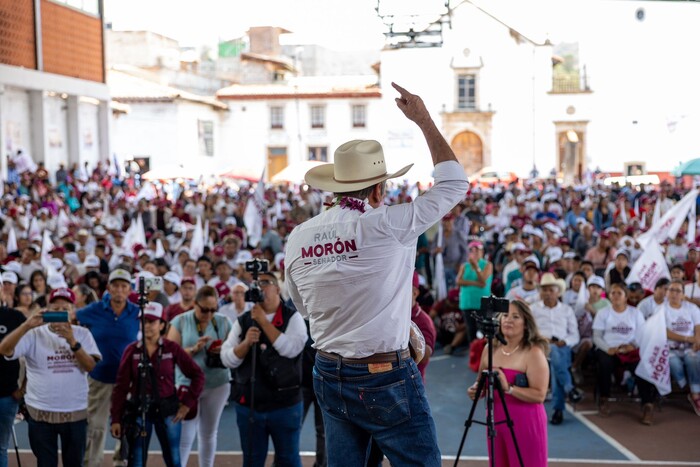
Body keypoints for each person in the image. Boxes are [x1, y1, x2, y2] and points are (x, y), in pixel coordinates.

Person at [285, 83, 468, 466]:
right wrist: (423, 119)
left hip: (328, 369)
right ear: (379, 190)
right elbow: (454, 183)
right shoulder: (389, 223)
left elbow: (301, 305)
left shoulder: (299, 236)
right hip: (383, 374)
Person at [0, 288, 101, 467]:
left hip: (75, 414)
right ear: (47, 309)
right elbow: (4, 350)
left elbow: (90, 366)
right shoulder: (34, 334)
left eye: (65, 308)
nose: (60, 313)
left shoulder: (82, 334)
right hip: (40, 415)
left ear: (72, 311)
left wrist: (72, 342)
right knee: (45, 464)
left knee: (74, 463)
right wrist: (27, 325)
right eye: (55, 309)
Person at [221, 271, 307, 467]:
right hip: (250, 405)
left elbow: (292, 349)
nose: (261, 287)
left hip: (285, 405)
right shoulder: (244, 320)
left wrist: (263, 322)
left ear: (277, 288)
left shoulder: (293, 318)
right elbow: (226, 359)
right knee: (252, 460)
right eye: (257, 284)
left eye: (266, 283)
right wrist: (244, 345)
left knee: (288, 459)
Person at [110, 302, 205, 467]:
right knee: (136, 460)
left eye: (152, 322)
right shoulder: (132, 351)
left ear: (162, 325)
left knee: (174, 460)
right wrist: (116, 419)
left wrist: (187, 405)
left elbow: (197, 375)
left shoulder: (172, 348)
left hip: (168, 409)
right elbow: (121, 387)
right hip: (139, 410)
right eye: (144, 321)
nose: (147, 326)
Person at [468, 300, 550, 467]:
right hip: (495, 423)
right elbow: (480, 385)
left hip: (526, 424)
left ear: (526, 324)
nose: (508, 320)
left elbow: (540, 395)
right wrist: (475, 390)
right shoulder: (489, 349)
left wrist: (510, 389)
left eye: (516, 317)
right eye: (505, 315)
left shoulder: (533, 352)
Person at [77, 269, 140, 467]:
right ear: (109, 288)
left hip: (128, 380)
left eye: (124, 286)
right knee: (95, 426)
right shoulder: (94, 310)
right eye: (116, 286)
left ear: (130, 290)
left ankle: (121, 460)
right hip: (99, 377)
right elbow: (72, 318)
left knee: (128, 424)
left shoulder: (137, 312)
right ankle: (92, 463)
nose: (119, 290)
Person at [167, 286, 232, 467]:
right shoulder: (180, 321)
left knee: (209, 433)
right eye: (204, 309)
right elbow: (169, 356)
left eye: (213, 309)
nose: (209, 314)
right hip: (187, 384)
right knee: (185, 434)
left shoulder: (224, 321)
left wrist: (222, 350)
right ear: (194, 305)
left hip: (217, 383)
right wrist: (193, 350)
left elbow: (235, 350)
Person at [592, 282, 657, 424]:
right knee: (604, 363)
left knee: (642, 367)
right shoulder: (603, 313)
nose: (615, 296)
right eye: (612, 293)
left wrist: (632, 346)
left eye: (619, 293)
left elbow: (642, 335)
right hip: (608, 349)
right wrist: (608, 348)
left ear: (626, 297)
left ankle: (647, 405)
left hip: (630, 350)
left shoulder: (635, 313)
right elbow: (596, 336)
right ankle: (604, 398)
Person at [530, 273, 582, 425]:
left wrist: (565, 341)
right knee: (553, 353)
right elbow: (529, 332)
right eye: (544, 290)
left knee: (555, 361)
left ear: (558, 292)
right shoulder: (533, 309)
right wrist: (541, 339)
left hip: (562, 346)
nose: (547, 293)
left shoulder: (566, 310)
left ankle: (560, 406)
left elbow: (575, 335)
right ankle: (568, 390)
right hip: (539, 347)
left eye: (551, 290)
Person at [663, 279, 700, 416]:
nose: (674, 293)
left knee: (693, 359)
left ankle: (695, 395)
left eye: (678, 291)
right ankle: (686, 387)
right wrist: (686, 338)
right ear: (667, 293)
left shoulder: (691, 308)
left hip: (690, 347)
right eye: (671, 290)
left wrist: (697, 340)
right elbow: (664, 331)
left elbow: (698, 327)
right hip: (669, 348)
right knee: (674, 363)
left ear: (683, 294)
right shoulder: (662, 309)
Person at [0, 286, 25, 467]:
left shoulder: (15, 317)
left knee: (1, 447)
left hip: (7, 395)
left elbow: (33, 352)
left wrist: (23, 388)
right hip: (8, 396)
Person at [456, 240, 493, 344]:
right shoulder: (465, 266)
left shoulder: (487, 264)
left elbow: (483, 281)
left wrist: (476, 267)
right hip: (467, 303)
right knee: (471, 331)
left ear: (482, 252)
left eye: (477, 250)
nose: (475, 253)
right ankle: (473, 355)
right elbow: (458, 281)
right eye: (472, 250)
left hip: (481, 303)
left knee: (483, 332)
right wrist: (475, 283)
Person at [430, 289, 467, 355]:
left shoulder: (463, 305)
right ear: (447, 300)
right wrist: (434, 328)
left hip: (457, 333)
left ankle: (452, 347)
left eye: (457, 303)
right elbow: (430, 316)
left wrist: (463, 325)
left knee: (463, 330)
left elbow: (470, 322)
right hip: (442, 332)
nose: (455, 305)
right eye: (452, 303)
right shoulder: (442, 304)